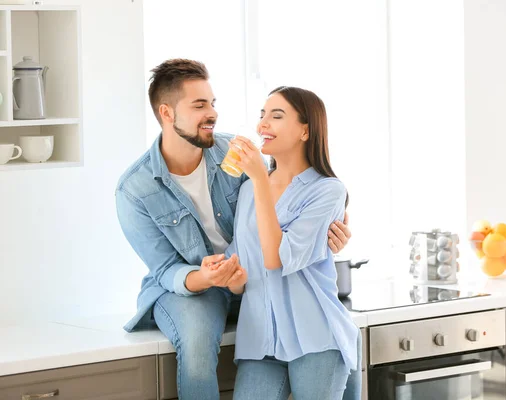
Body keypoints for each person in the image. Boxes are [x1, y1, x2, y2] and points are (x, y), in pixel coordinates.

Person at [114, 59, 352, 400]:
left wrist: (328, 235)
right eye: (199, 106)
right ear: (167, 113)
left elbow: (294, 202)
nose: (211, 113)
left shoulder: (234, 155)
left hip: (273, 297)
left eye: (212, 103)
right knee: (196, 344)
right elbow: (166, 269)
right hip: (197, 284)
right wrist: (210, 277)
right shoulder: (134, 190)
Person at [225, 86, 361, 400]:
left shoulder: (327, 191)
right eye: (261, 117)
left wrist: (259, 179)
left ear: (305, 130)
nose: (262, 126)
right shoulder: (247, 192)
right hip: (260, 339)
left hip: (315, 335)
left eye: (276, 116)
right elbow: (242, 266)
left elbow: (277, 259)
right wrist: (230, 277)